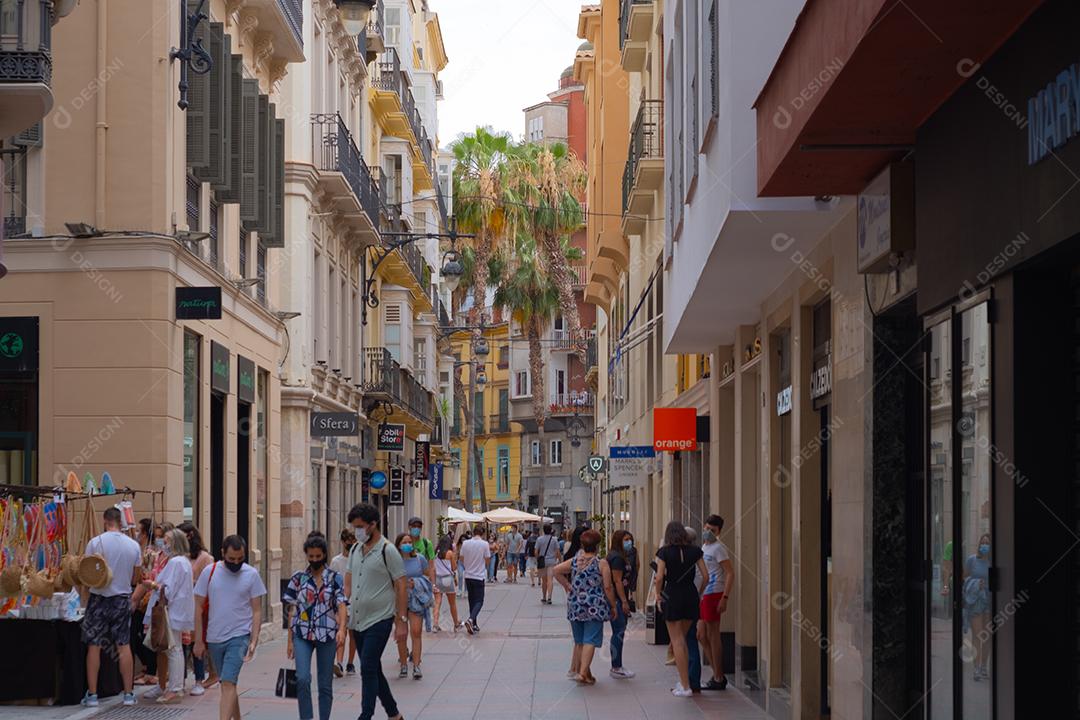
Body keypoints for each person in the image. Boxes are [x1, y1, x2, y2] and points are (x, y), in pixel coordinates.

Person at [194, 535, 267, 720]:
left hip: (240, 636)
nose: (236, 563)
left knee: (227, 682)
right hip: (214, 638)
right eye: (231, 559)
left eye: (240, 559)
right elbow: (198, 606)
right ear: (222, 553)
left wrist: (254, 639)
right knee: (228, 684)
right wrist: (198, 641)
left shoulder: (251, 574)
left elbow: (257, 610)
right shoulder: (209, 572)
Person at [344, 503, 406, 720]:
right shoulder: (355, 550)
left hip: (380, 619)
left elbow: (401, 585)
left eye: (360, 527)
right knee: (373, 669)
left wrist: (401, 621)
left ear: (373, 525)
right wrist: (341, 609)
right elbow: (348, 584)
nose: (357, 531)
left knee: (368, 667)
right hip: (357, 620)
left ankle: (366, 715)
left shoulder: (388, 550)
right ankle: (394, 714)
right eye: (354, 527)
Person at [81, 507, 142, 707]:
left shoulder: (95, 542)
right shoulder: (133, 545)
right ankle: (128, 694)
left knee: (94, 646)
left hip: (98, 598)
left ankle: (92, 694)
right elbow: (136, 577)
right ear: (121, 521)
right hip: (121, 598)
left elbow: (87, 571)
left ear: (105, 520)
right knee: (123, 645)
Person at [284, 532, 348, 720]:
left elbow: (342, 604)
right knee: (302, 678)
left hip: (327, 634)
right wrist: (290, 641)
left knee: (325, 684)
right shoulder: (298, 578)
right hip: (302, 634)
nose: (314, 560)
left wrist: (342, 629)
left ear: (324, 555)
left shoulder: (335, 578)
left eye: (318, 556)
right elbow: (291, 610)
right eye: (311, 556)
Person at [553, 529, 616, 685]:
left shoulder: (575, 561)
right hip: (594, 606)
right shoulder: (601, 563)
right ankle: (582, 673)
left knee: (580, 640)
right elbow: (608, 587)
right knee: (590, 639)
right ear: (597, 546)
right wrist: (613, 605)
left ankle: (586, 674)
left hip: (575, 604)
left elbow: (556, 570)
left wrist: (568, 585)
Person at [655, 521, 709, 698]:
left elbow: (659, 577)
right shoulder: (695, 551)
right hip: (690, 594)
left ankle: (685, 686)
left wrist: (658, 595)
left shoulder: (664, 552)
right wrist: (699, 593)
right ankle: (685, 682)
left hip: (672, 594)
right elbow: (706, 576)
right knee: (683, 640)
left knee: (677, 641)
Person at [140, 529, 195, 704]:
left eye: (167, 541)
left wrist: (152, 584)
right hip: (177, 610)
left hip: (171, 610)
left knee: (173, 649)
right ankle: (175, 687)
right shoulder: (183, 562)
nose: (163, 544)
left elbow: (168, 589)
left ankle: (175, 689)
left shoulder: (176, 563)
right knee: (175, 648)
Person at [178, 521, 215, 694]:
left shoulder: (205, 558)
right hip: (181, 605)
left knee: (195, 642)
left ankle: (199, 679)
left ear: (190, 536)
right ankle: (180, 679)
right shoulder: (180, 556)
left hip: (196, 606)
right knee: (180, 642)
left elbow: (209, 583)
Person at [700, 515, 734, 690]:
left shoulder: (719, 548)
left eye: (712, 530)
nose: (708, 532)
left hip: (714, 593)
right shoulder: (705, 546)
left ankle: (718, 677)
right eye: (707, 528)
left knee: (713, 635)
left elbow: (730, 573)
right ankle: (717, 673)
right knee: (701, 635)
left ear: (719, 532)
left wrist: (724, 598)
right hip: (703, 595)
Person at [393, 533, 433, 679]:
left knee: (416, 632)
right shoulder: (394, 561)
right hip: (398, 601)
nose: (408, 544)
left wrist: (416, 582)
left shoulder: (419, 559)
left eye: (410, 542)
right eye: (404, 542)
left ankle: (416, 665)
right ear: (398, 545)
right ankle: (403, 665)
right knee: (401, 634)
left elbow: (427, 576)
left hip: (416, 599)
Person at [132, 518, 159, 688]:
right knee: (140, 635)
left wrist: (134, 599)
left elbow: (145, 578)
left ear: (144, 533)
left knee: (142, 635)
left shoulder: (149, 552)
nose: (136, 534)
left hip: (146, 600)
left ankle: (151, 671)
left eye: (138, 531)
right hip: (146, 599)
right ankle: (147, 668)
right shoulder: (145, 550)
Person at [606, 530, 636, 679]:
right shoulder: (617, 558)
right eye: (626, 539)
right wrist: (624, 601)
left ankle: (617, 665)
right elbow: (617, 581)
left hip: (619, 598)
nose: (629, 542)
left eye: (630, 539)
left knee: (619, 631)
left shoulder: (620, 556)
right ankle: (616, 666)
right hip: (617, 599)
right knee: (618, 631)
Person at [963, 533, 992, 681]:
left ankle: (984, 667)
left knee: (987, 636)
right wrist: (975, 584)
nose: (984, 545)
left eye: (987, 543)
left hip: (990, 602)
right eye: (983, 542)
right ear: (979, 544)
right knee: (977, 635)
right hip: (975, 602)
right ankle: (976, 668)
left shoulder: (993, 562)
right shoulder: (972, 560)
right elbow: (964, 577)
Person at [329, 528, 357, 676]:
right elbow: (331, 582)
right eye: (348, 541)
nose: (350, 544)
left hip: (356, 601)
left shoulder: (359, 560)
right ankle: (339, 662)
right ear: (343, 542)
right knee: (342, 630)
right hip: (341, 601)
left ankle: (350, 662)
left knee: (354, 634)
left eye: (353, 541)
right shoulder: (336, 561)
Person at [459, 526, 491, 634]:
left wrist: (467, 565)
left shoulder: (465, 543)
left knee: (471, 600)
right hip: (479, 576)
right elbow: (487, 559)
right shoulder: (485, 544)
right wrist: (483, 565)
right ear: (483, 533)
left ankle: (474, 624)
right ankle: (471, 619)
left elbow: (461, 558)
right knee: (479, 601)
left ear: (473, 532)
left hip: (468, 575)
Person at [407, 517, 436, 632]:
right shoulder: (405, 542)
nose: (416, 529)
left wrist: (432, 585)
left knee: (417, 624)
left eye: (419, 526)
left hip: (419, 585)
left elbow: (431, 566)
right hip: (405, 585)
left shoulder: (426, 543)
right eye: (414, 526)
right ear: (409, 527)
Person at [431, 534, 462, 632]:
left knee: (437, 602)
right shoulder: (449, 553)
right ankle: (456, 624)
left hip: (438, 579)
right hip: (448, 579)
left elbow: (433, 568)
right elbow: (454, 567)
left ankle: (435, 624)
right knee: (452, 604)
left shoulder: (436, 553)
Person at [535, 523, 562, 604]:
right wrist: (560, 560)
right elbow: (557, 551)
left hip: (543, 562)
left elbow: (536, 551)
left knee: (544, 580)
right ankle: (549, 597)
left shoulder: (539, 539)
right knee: (550, 579)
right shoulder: (554, 539)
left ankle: (544, 597)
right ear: (551, 530)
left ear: (543, 530)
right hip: (552, 561)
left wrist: (538, 559)